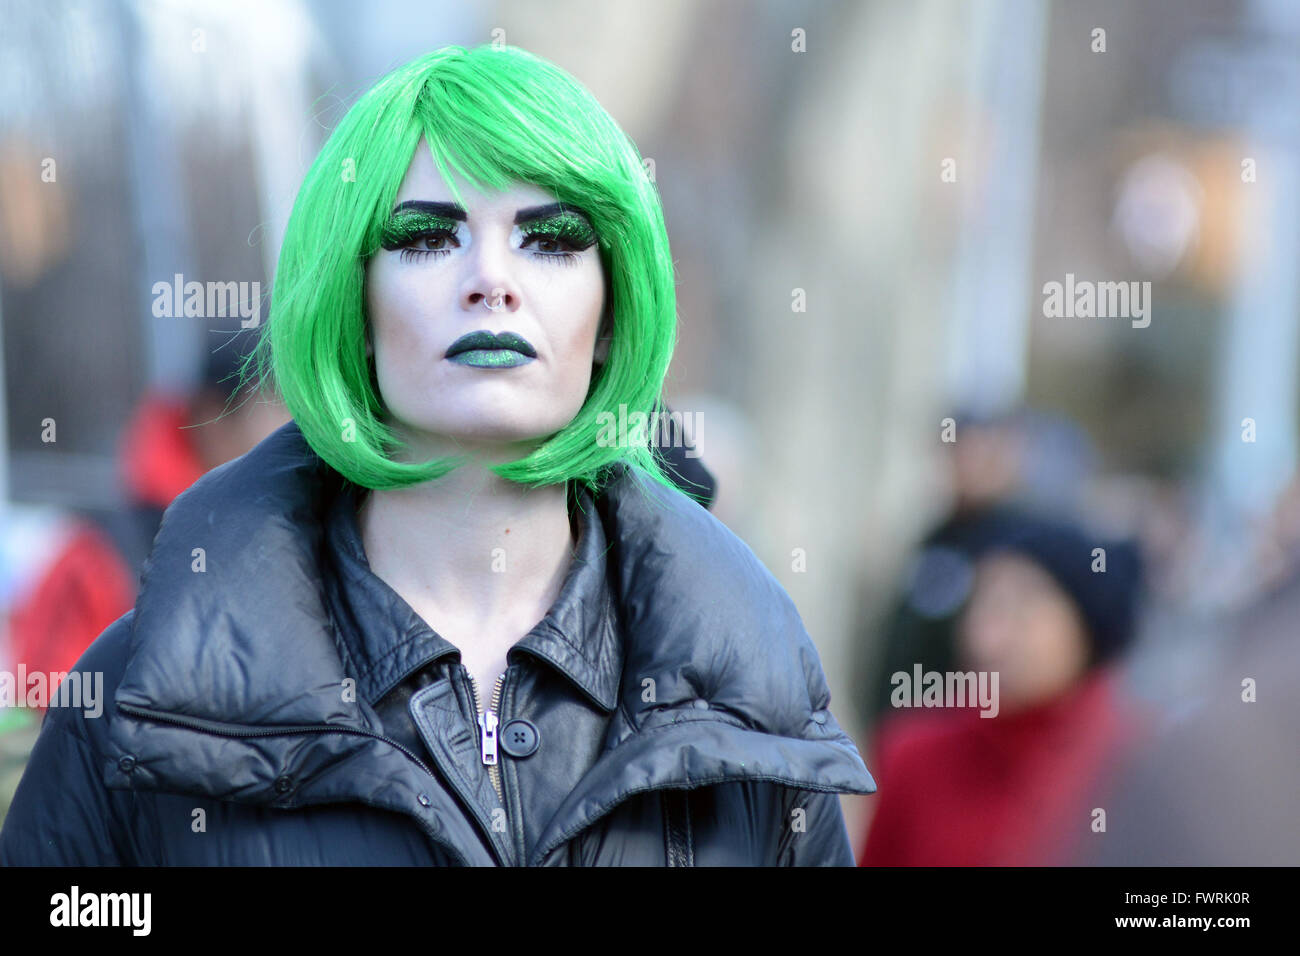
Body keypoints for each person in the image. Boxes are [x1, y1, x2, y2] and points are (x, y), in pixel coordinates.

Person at [0, 44, 873, 866]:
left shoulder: (749, 698)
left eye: (551, 237)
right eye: (425, 236)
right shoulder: (146, 695)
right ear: (353, 306)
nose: (491, 277)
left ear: (612, 316)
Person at [858, 510, 1146, 866]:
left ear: (1084, 630)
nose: (990, 638)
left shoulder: (1131, 764)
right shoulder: (915, 753)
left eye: (1023, 611)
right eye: (986, 604)